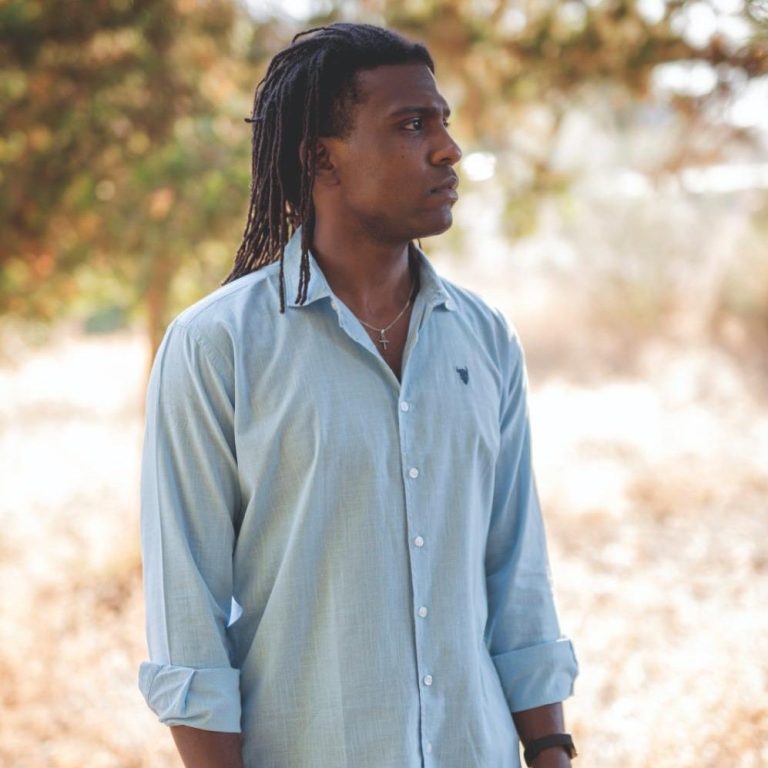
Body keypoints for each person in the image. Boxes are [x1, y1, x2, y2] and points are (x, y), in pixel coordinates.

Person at [138, 22, 578, 768]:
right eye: (411, 125)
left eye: (443, 122)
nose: (448, 149)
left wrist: (551, 749)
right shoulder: (217, 345)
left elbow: (517, 575)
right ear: (322, 158)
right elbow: (188, 621)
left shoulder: (485, 338)